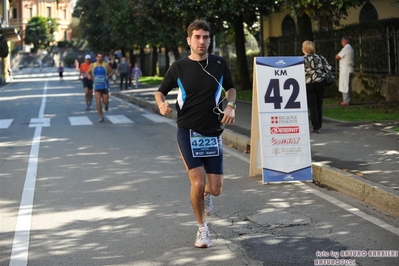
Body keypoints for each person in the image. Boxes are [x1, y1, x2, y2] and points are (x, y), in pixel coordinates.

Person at [155, 19, 236, 248]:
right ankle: (202, 229)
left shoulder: (219, 64)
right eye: (197, 37)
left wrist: (231, 105)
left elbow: (230, 88)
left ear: (210, 40)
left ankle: (207, 196)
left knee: (216, 189)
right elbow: (160, 92)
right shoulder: (178, 67)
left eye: (206, 37)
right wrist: (161, 104)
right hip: (188, 132)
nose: (202, 41)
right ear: (189, 40)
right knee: (197, 183)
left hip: (212, 133)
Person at [302, 40, 331, 133]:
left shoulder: (302, 59)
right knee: (319, 103)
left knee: (312, 105)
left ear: (304, 49)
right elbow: (328, 67)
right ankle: (319, 124)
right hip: (320, 82)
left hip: (309, 83)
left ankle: (315, 126)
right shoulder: (320, 57)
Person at [88, 53, 114, 122]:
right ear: (96, 58)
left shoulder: (106, 65)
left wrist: (108, 76)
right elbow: (88, 72)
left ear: (103, 58)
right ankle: (101, 116)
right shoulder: (92, 65)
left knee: (105, 101)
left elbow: (112, 71)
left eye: (101, 57)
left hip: (105, 85)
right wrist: (89, 76)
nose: (100, 58)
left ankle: (106, 104)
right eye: (98, 57)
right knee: (98, 101)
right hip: (96, 85)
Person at [335, 36, 354, 106]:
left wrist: (336, 55)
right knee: (348, 85)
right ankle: (348, 100)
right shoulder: (350, 48)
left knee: (345, 85)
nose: (341, 43)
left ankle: (346, 101)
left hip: (345, 70)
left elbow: (337, 56)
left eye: (342, 41)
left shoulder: (346, 48)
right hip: (349, 69)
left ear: (344, 41)